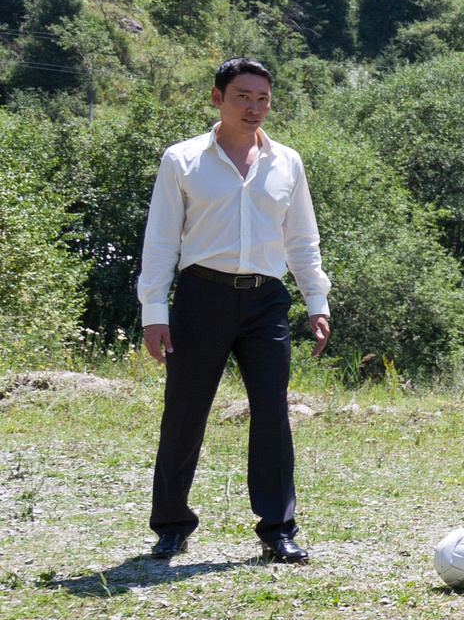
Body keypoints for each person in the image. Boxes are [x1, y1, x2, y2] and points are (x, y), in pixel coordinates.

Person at [138, 58, 332, 563]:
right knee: (185, 411)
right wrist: (153, 310)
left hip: (267, 300)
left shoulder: (287, 162)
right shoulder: (181, 160)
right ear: (216, 97)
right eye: (243, 96)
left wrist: (316, 299)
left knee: (272, 412)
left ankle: (277, 528)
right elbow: (160, 240)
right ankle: (172, 524)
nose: (253, 107)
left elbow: (302, 239)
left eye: (262, 98)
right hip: (201, 297)